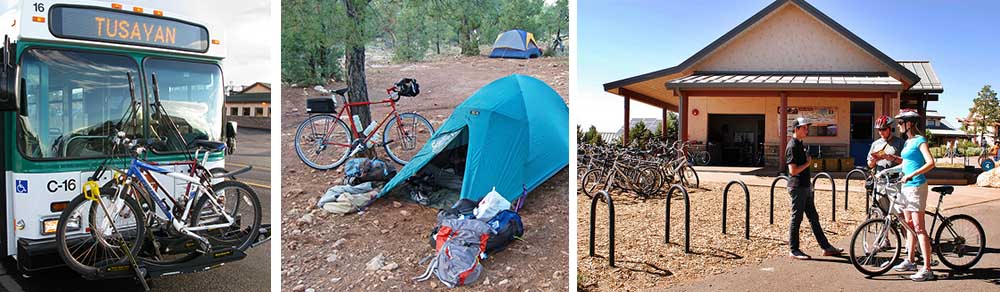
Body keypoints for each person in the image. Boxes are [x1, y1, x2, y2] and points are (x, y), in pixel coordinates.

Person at [785, 117, 842, 260]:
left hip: (804, 186)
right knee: (797, 218)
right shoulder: (792, 146)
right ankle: (794, 250)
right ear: (796, 129)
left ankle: (826, 247)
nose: (807, 130)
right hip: (797, 187)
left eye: (807, 127)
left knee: (813, 218)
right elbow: (793, 171)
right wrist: (808, 163)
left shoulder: (800, 144)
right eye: (804, 128)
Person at [891, 110, 936, 281]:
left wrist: (912, 175)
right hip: (906, 187)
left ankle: (927, 269)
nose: (898, 125)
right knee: (909, 225)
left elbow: (931, 163)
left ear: (909, 123)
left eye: (900, 122)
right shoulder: (907, 141)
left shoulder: (919, 140)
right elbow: (905, 164)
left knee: (919, 228)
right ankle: (910, 261)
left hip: (917, 186)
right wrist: (886, 171)